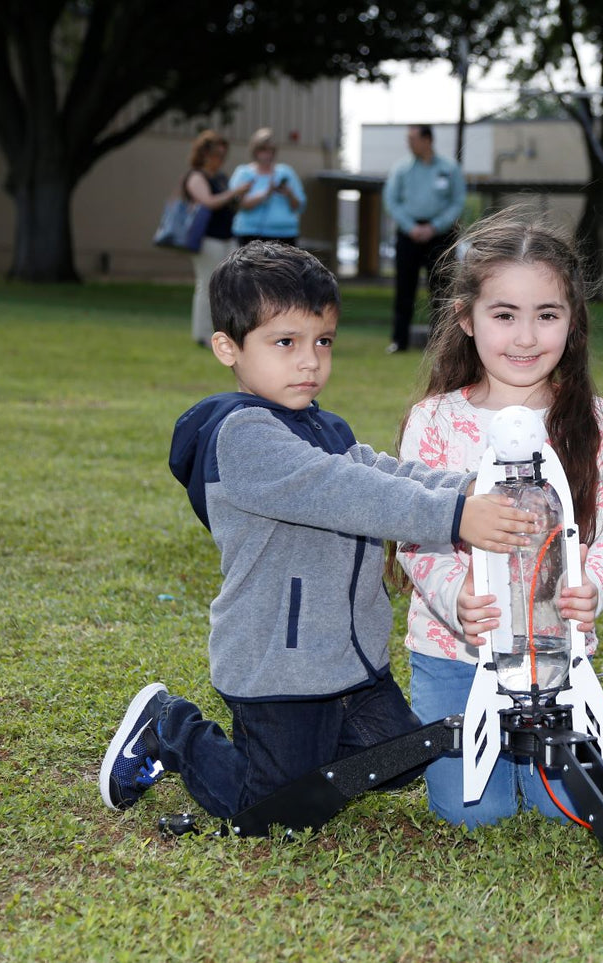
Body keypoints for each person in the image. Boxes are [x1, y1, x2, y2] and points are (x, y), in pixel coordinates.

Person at [98, 242, 540, 819]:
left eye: (322, 342)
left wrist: (468, 489)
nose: (310, 361)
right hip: (279, 668)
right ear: (228, 347)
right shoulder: (243, 436)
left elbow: (383, 471)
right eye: (286, 343)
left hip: (348, 662)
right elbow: (347, 491)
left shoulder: (323, 427)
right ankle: (169, 727)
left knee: (400, 760)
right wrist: (456, 519)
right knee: (275, 808)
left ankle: (311, 748)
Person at [391, 209, 603, 827]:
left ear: (572, 322)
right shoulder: (436, 420)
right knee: (474, 814)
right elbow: (414, 535)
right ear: (466, 319)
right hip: (455, 656)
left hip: (555, 661)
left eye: (547, 315)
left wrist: (592, 588)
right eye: (504, 315)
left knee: (569, 812)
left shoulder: (598, 420)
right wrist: (458, 598)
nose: (526, 337)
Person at [383, 124, 467, 353]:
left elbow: (457, 202)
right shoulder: (401, 169)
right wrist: (411, 227)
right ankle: (399, 341)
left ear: (428, 139)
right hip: (408, 234)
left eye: (413, 138)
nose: (409, 143)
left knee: (441, 289)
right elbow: (391, 200)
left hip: (441, 234)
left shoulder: (449, 168)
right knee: (404, 289)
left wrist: (435, 226)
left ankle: (439, 343)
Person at [182, 130, 250, 346]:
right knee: (207, 284)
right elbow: (208, 201)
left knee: (229, 286)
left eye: (223, 155)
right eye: (216, 155)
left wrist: (239, 196)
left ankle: (226, 332)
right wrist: (234, 192)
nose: (220, 160)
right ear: (204, 154)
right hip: (207, 239)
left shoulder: (221, 177)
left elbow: (228, 204)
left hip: (227, 237)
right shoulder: (196, 176)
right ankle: (202, 334)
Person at [229, 128, 306, 246]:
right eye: (263, 150)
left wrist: (289, 194)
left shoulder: (286, 172)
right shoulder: (243, 173)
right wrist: (266, 193)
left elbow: (300, 206)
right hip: (250, 234)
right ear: (255, 151)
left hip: (285, 235)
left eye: (271, 150)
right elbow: (239, 203)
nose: (268, 154)